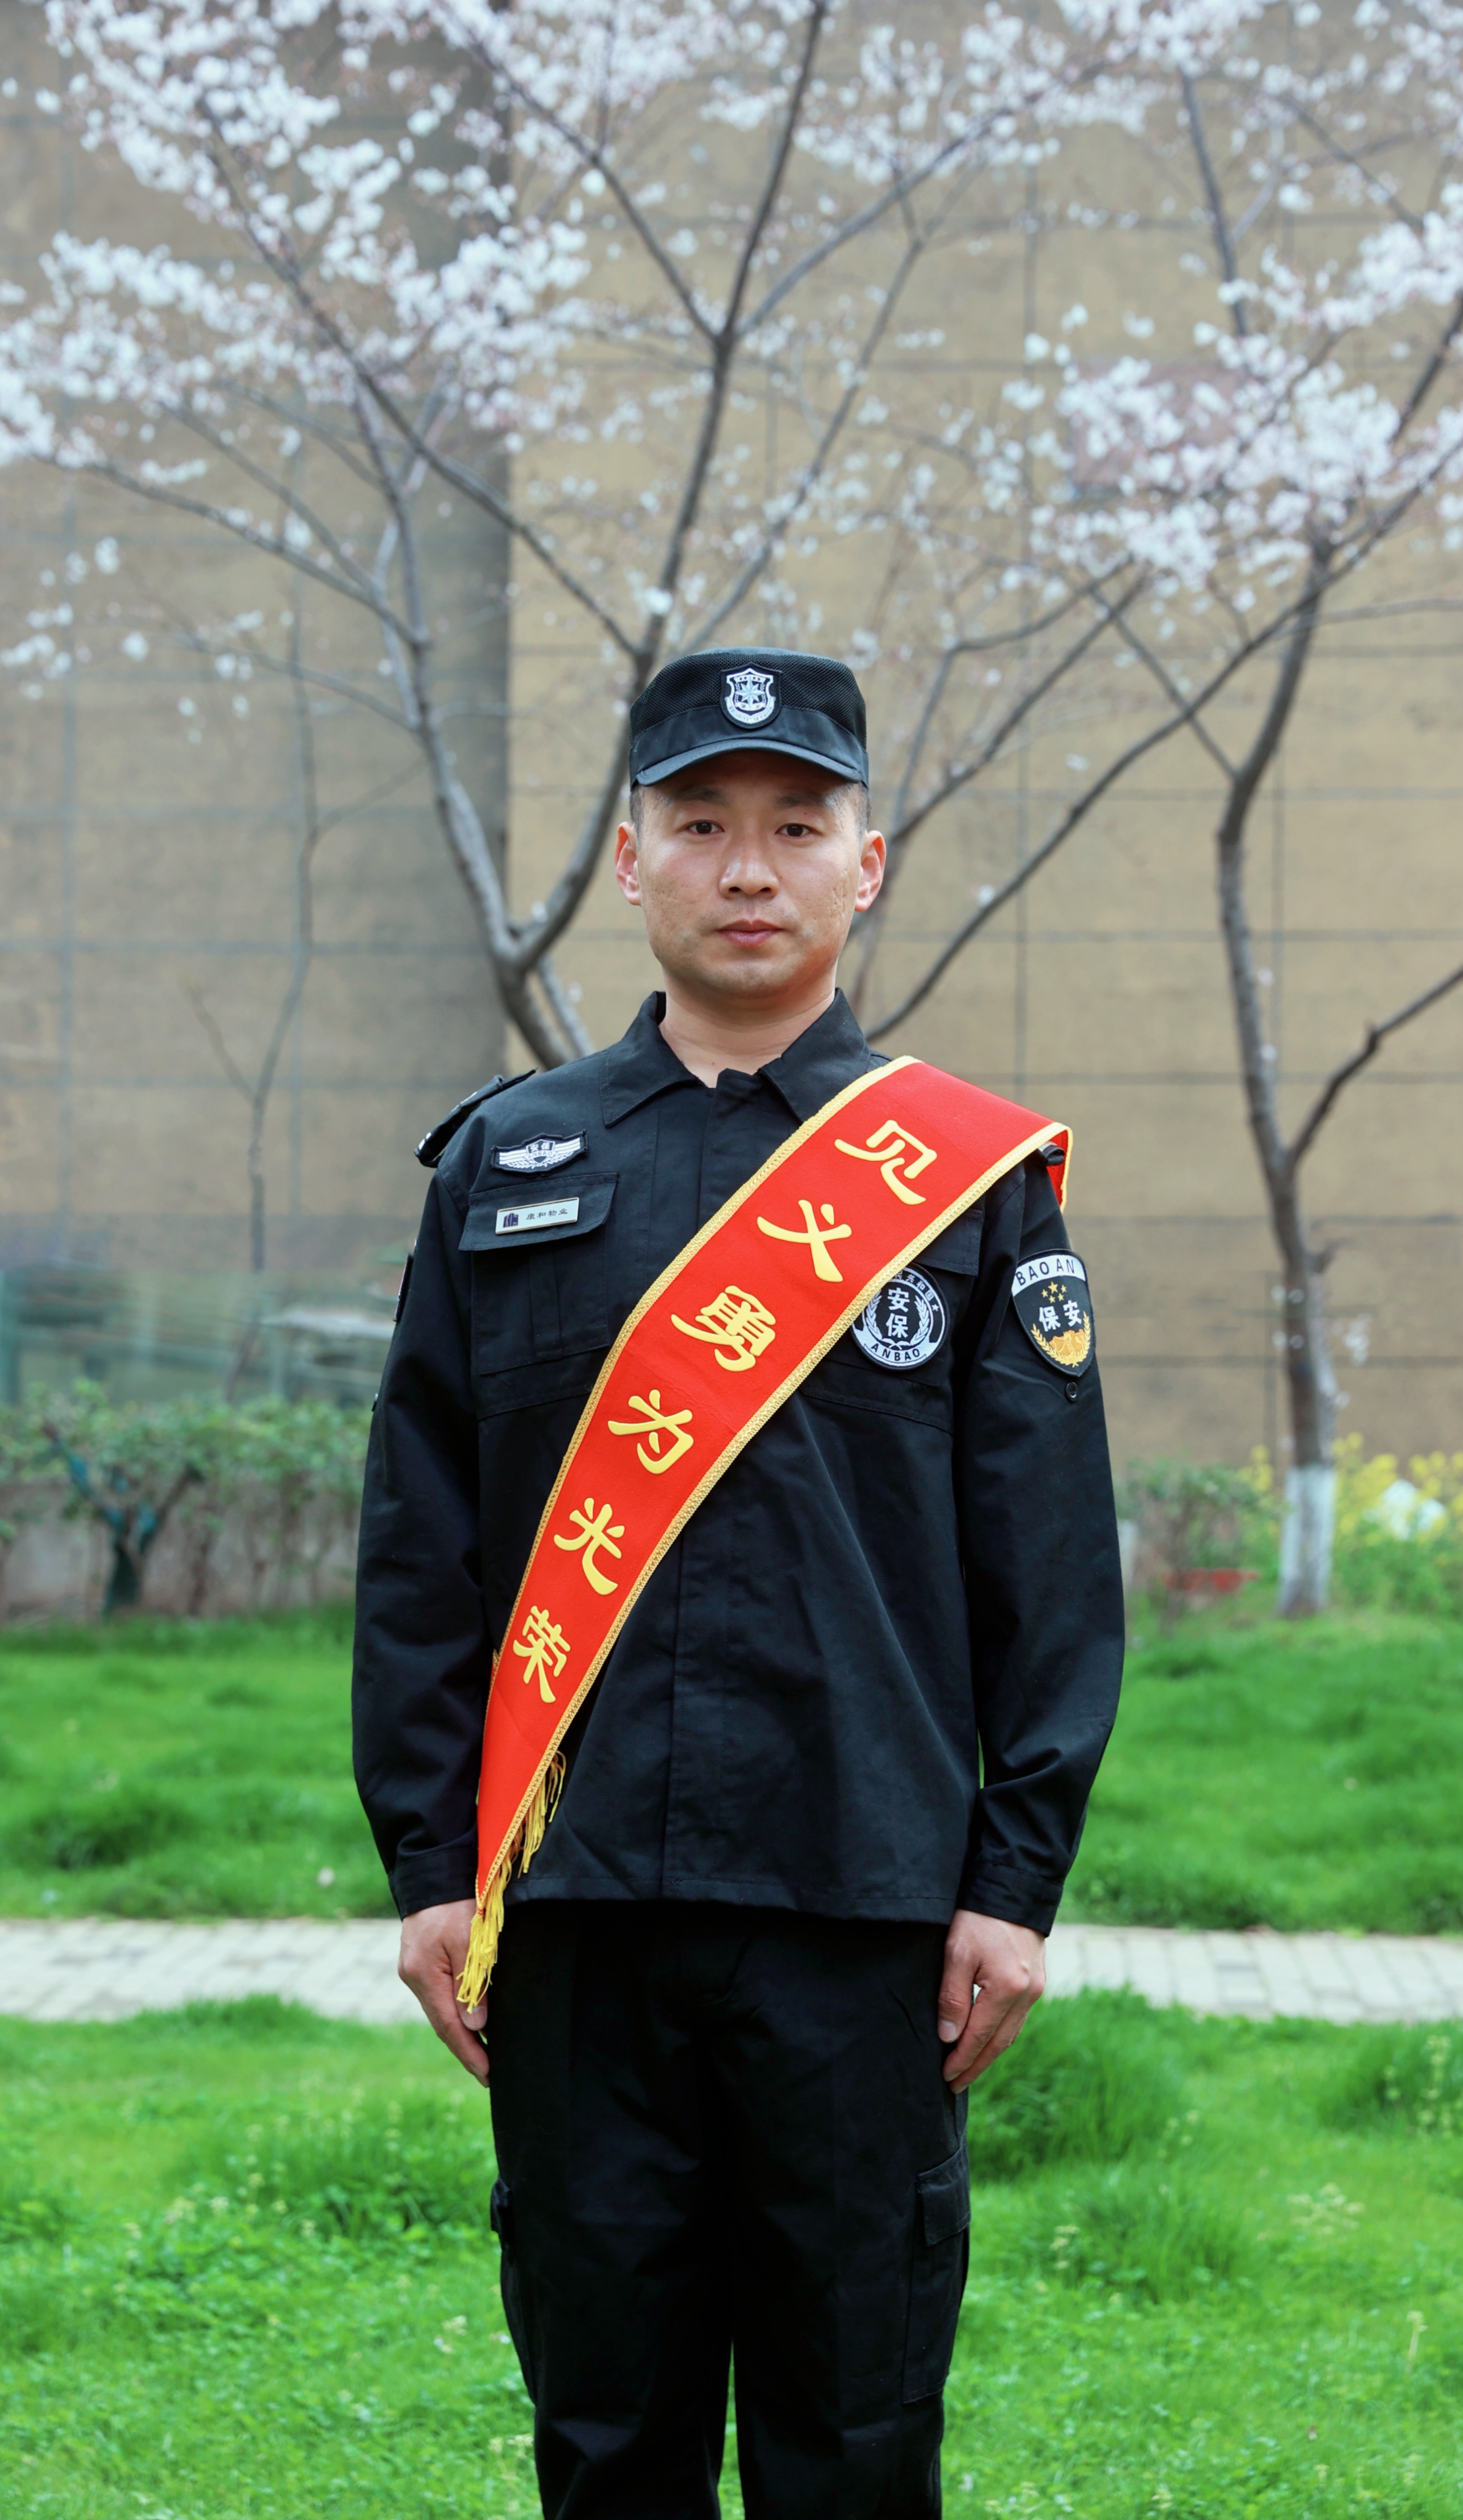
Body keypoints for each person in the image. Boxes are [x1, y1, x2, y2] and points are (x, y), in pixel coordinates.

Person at [352, 646, 1123, 2520]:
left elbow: (1046, 1564)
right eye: (701, 824)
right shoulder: (505, 1165)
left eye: (797, 824)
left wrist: (1011, 1884)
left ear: (871, 862)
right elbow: (422, 1547)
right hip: (576, 1910)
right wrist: (433, 1866)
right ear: (632, 858)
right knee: (604, 2442)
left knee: (851, 2441)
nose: (750, 868)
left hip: (865, 1915)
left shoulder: (967, 1184)